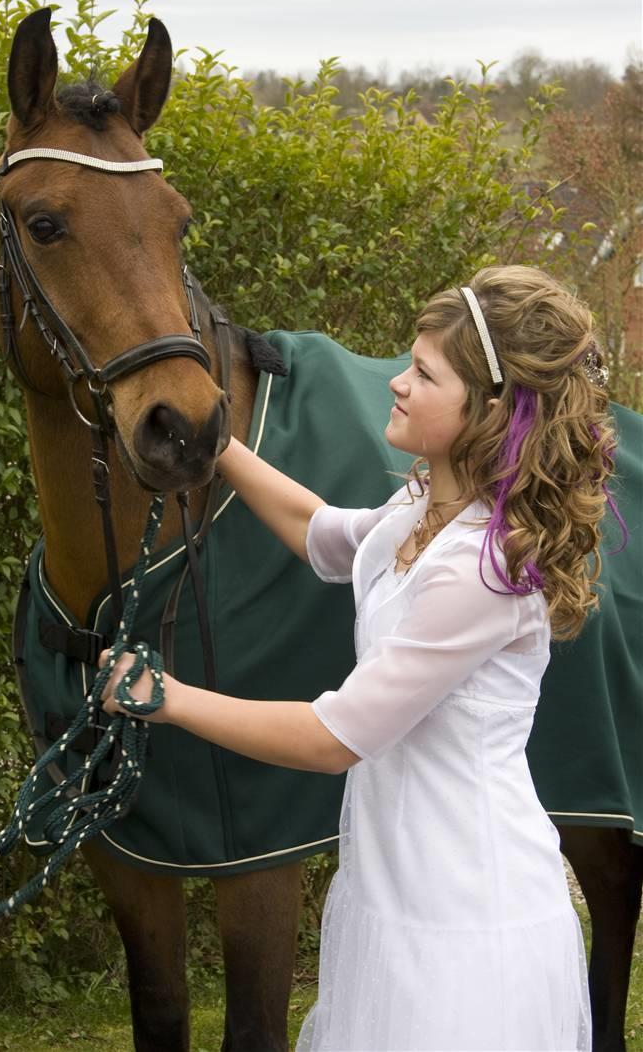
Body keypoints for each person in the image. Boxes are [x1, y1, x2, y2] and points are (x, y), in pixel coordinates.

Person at [101, 264, 620, 1051]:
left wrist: (165, 696)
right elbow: (321, 533)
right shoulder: (424, 511)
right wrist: (219, 444)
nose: (397, 384)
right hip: (397, 887)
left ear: (485, 408)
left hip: (466, 914)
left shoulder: (481, 570)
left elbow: (336, 736)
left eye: (422, 373)